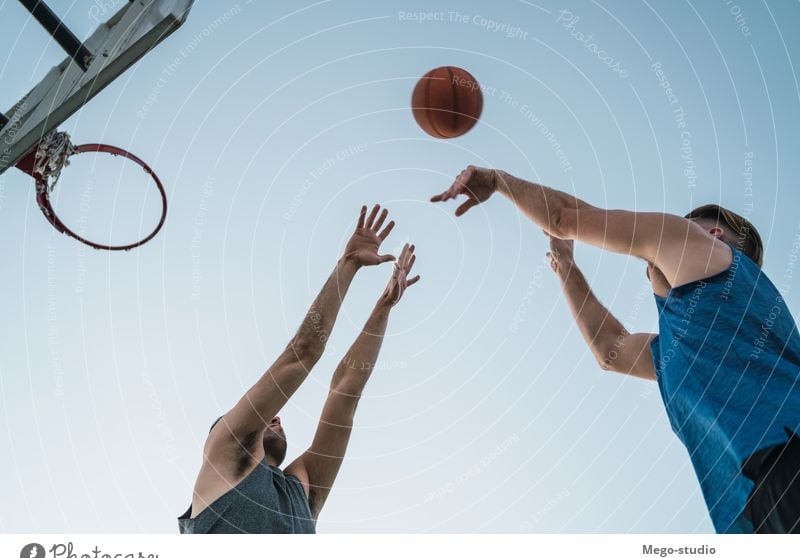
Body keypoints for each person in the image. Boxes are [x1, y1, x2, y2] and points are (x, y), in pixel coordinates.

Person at [432, 166, 800, 533]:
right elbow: (609, 349)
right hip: (751, 507)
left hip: (784, 461)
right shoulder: (682, 342)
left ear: (714, 235)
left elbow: (565, 218)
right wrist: (566, 266)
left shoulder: (708, 254)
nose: (670, 231)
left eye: (685, 223)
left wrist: (499, 181)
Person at [178, 205, 419, 533]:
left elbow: (346, 390)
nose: (275, 417)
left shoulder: (303, 493)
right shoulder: (227, 449)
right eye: (264, 417)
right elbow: (302, 352)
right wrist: (348, 264)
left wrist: (384, 307)